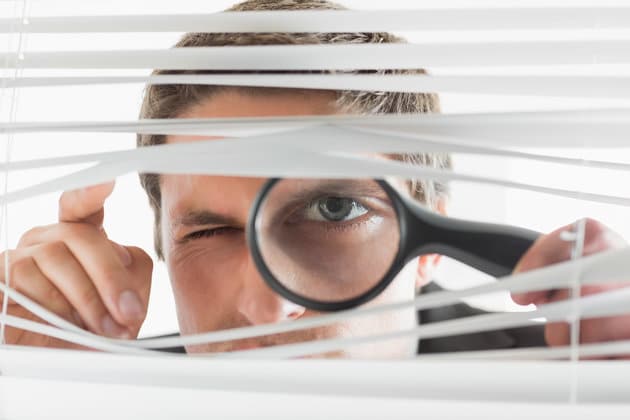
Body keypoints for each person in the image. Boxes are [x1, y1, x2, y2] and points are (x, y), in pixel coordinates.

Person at [1, 0, 628, 358]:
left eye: (332, 209)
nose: (267, 307)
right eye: (210, 231)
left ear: (429, 234)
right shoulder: (91, 381)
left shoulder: (565, 379)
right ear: (161, 246)